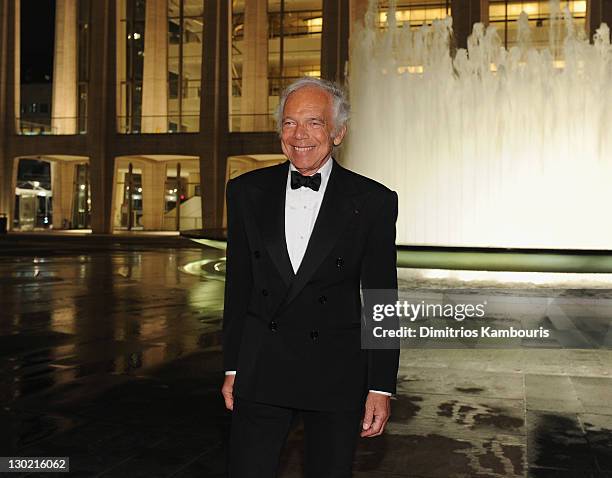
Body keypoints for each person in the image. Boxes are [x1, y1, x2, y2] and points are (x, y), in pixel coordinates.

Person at [221, 77, 399, 477]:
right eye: (288, 123)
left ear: (338, 132)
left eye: (314, 123)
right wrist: (232, 367)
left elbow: (382, 299)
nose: (299, 135)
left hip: (335, 372)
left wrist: (381, 386)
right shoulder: (246, 192)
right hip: (262, 366)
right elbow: (238, 289)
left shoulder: (373, 201)